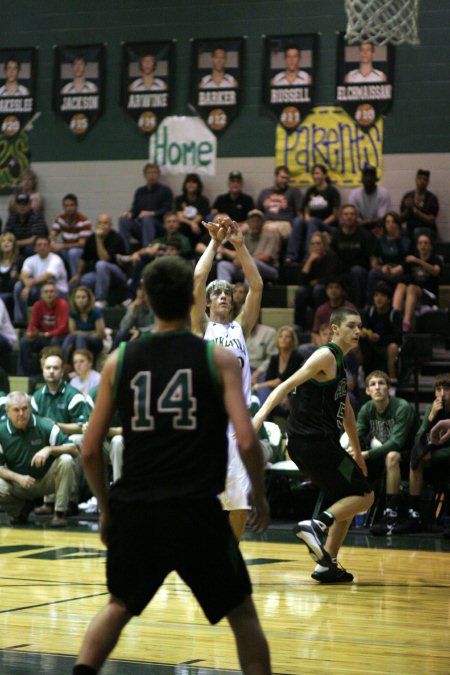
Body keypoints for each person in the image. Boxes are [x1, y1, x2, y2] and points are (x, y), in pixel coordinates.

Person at [73, 255, 271, 675]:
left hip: (137, 508)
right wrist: (262, 495)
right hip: (197, 509)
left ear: (147, 300)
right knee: (243, 616)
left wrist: (107, 509)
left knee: (117, 607)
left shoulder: (119, 359)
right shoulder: (216, 358)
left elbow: (90, 450)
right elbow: (249, 440)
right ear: (191, 300)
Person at [254, 307, 374, 583]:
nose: (358, 332)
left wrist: (357, 452)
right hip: (313, 441)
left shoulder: (340, 364)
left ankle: (326, 564)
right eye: (352, 326)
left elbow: (348, 414)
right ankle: (317, 524)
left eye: (359, 327)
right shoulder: (325, 356)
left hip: (311, 444)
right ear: (335, 329)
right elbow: (284, 386)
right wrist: (259, 418)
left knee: (348, 498)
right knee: (366, 496)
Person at [191, 216, 264, 541]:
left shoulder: (240, 327)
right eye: (217, 293)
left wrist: (240, 246)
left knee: (238, 499)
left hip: (235, 423)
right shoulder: (200, 327)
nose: (223, 296)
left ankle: (229, 554)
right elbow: (198, 276)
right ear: (207, 303)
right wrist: (214, 242)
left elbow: (257, 285)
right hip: (207, 420)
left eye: (227, 293)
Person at [352, 370, 418, 535]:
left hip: (411, 454)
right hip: (382, 455)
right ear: (367, 391)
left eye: (381, 383)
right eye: (373, 385)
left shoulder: (402, 407)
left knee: (391, 456)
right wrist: (351, 451)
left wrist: (364, 454)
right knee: (350, 459)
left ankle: (391, 512)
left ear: (388, 388)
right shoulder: (367, 409)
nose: (377, 388)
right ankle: (343, 512)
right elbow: (357, 435)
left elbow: (396, 443)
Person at [0, 391, 77, 527]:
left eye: (24, 409)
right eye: (16, 410)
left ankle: (59, 514)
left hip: (46, 480)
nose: (21, 414)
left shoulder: (45, 426)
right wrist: (18, 478)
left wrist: (49, 449)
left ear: (30, 408)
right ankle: (20, 511)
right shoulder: (1, 432)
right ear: (7, 411)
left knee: (66, 460)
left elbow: (74, 449)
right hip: (19, 483)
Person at [395, 375, 450, 534]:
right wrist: (430, 418)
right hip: (437, 463)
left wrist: (435, 456)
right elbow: (418, 439)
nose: (442, 394)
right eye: (438, 390)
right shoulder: (431, 409)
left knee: (424, 457)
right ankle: (413, 514)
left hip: (444, 458)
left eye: (446, 389)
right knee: (416, 458)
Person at [70, 213, 128, 309]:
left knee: (101, 264)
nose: (103, 225)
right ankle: (82, 302)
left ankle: (101, 299)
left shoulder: (116, 238)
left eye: (105, 223)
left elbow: (104, 259)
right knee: (85, 280)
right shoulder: (91, 238)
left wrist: (99, 239)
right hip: (100, 274)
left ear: (110, 225)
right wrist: (78, 275)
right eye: (100, 223)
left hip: (118, 274)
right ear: (96, 225)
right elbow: (84, 258)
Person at [286, 164, 341, 262]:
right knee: (297, 221)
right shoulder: (311, 191)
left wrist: (319, 223)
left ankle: (309, 255)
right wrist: (307, 219)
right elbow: (305, 210)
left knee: (312, 222)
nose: (315, 176)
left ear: (324, 175)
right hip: (312, 223)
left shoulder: (332, 191)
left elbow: (335, 215)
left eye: (317, 173)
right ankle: (291, 255)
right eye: (313, 174)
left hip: (328, 225)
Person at [13, 234, 68, 326]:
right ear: (34, 248)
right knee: (18, 285)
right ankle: (21, 322)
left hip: (58, 291)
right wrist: (26, 285)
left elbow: (48, 276)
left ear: (50, 247)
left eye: (45, 244)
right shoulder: (30, 260)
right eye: (39, 245)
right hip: (37, 288)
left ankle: (41, 324)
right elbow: (24, 275)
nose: (42, 247)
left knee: (44, 288)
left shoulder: (56, 259)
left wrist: (29, 285)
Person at [17, 281, 70, 376]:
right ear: (41, 294)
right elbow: (33, 324)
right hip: (43, 338)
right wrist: (30, 332)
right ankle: (26, 375)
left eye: (52, 291)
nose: (49, 294)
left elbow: (63, 328)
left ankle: (53, 373)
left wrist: (46, 334)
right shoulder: (38, 305)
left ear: (57, 294)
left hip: (59, 338)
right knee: (24, 342)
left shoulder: (63, 304)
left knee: (54, 341)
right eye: (46, 292)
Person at [330, 204, 377, 308]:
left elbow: (373, 259)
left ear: (356, 217)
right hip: (341, 273)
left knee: (356, 271)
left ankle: (358, 309)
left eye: (352, 214)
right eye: (346, 214)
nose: (349, 216)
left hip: (360, 273)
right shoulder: (335, 236)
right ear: (342, 217)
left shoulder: (366, 235)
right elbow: (331, 259)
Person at [392, 233, 442, 332]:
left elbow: (435, 271)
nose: (423, 245)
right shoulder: (413, 258)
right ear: (417, 246)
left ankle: (406, 322)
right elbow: (394, 272)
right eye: (420, 243)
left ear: (431, 246)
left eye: (426, 243)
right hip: (413, 295)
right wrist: (387, 270)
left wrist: (418, 261)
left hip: (429, 296)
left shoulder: (435, 259)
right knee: (401, 285)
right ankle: (394, 315)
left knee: (411, 287)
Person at [118, 163, 173, 252]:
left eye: (154, 172)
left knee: (147, 218)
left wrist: (151, 213)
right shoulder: (140, 191)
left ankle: (147, 250)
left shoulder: (165, 191)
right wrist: (130, 213)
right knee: (123, 219)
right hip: (141, 225)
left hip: (158, 226)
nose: (152, 175)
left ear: (158, 175)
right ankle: (124, 252)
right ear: (145, 175)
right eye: (149, 173)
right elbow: (135, 209)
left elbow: (167, 210)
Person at [217, 209, 280, 285]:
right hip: (247, 267)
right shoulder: (246, 236)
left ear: (263, 223)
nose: (255, 224)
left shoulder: (271, 235)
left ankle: (248, 294)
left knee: (253, 263)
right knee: (223, 265)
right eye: (252, 221)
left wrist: (245, 260)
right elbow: (239, 253)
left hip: (269, 269)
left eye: (258, 221)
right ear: (248, 223)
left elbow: (266, 257)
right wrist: (237, 259)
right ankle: (225, 291)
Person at [294, 232, 341, 331]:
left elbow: (331, 277)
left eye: (318, 243)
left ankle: (322, 324)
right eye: (313, 244)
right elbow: (301, 281)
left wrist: (318, 281)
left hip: (327, 290)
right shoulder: (309, 258)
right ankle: (299, 325)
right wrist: (310, 261)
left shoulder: (332, 257)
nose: (316, 246)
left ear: (324, 245)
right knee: (300, 291)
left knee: (318, 289)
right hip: (311, 290)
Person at [253, 326, 302, 420]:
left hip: (294, 393)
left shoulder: (297, 357)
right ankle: (265, 425)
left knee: (263, 390)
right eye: (281, 336)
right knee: (264, 392)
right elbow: (269, 380)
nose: (283, 339)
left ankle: (262, 422)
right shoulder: (274, 358)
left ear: (292, 341)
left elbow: (283, 380)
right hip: (279, 395)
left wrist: (259, 385)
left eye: (287, 337)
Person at [360, 282, 403, 380]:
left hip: (386, 346)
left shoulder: (394, 314)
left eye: (382, 296)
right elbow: (363, 328)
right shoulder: (369, 312)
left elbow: (398, 338)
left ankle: (393, 380)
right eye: (376, 295)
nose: (378, 299)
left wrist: (379, 338)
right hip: (371, 345)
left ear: (389, 299)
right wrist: (363, 333)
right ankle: (360, 374)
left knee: (393, 347)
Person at [366, 211, 411, 303]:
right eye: (388, 222)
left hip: (401, 272)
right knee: (373, 273)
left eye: (393, 221)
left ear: (398, 224)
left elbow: (408, 260)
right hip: (386, 270)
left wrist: (398, 269)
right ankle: (369, 304)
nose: (390, 224)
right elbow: (373, 261)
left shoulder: (405, 238)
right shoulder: (380, 240)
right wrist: (382, 268)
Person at [50, 193, 92, 278]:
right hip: (66, 249)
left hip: (80, 251)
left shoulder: (84, 221)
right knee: (53, 249)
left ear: (77, 207)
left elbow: (82, 244)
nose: (69, 208)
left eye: (71, 205)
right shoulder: (60, 219)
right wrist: (52, 242)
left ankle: (75, 279)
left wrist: (62, 246)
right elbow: (52, 234)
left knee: (72, 253)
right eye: (66, 206)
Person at [256, 165, 303, 240]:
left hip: (285, 223)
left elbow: (300, 213)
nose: (285, 181)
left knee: (270, 230)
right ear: (275, 176)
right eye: (282, 178)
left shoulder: (293, 191)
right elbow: (257, 212)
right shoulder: (265, 192)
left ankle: (260, 252)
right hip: (267, 222)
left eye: (287, 178)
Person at [62, 286, 106, 362]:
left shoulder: (95, 312)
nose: (80, 300)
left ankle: (81, 363)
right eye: (78, 297)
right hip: (79, 339)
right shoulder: (73, 313)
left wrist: (82, 334)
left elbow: (101, 335)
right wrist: (91, 333)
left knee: (81, 337)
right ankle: (64, 362)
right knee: (71, 336)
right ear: (74, 299)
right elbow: (73, 332)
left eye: (83, 297)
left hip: (96, 343)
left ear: (88, 299)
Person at [311, 279, 356, 346]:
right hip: (324, 344)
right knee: (303, 349)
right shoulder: (321, 310)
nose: (333, 290)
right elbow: (315, 332)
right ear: (326, 291)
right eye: (330, 287)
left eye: (337, 287)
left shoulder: (349, 308)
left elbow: (354, 331)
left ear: (342, 291)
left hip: (344, 344)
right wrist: (321, 348)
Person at [348, 166, 393, 235]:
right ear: (362, 179)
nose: (368, 179)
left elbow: (383, 217)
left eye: (371, 176)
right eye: (366, 176)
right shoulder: (354, 193)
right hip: (359, 226)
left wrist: (367, 222)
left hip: (378, 226)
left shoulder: (383, 193)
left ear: (376, 179)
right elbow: (352, 215)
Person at [111, 281, 154, 349]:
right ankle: (113, 356)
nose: (142, 292)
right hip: (138, 333)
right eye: (139, 289)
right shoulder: (134, 305)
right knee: (121, 334)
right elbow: (123, 327)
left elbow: (157, 326)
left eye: (145, 289)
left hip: (152, 334)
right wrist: (133, 310)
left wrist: (140, 331)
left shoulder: (156, 305)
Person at [399, 169, 440, 241]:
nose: (421, 181)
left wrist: (414, 210)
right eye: (419, 178)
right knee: (400, 233)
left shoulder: (432, 198)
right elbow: (401, 219)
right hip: (410, 229)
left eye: (425, 179)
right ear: (415, 180)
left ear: (428, 182)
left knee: (417, 232)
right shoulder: (408, 196)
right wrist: (408, 209)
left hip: (428, 230)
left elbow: (431, 220)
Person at [4, 192, 48, 257]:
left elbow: (35, 239)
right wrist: (9, 243)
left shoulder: (37, 217)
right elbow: (6, 235)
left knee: (29, 249)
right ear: (16, 205)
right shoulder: (12, 217)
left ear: (30, 205)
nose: (22, 207)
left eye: (25, 204)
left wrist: (15, 243)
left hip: (32, 247)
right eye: (19, 204)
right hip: (15, 246)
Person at [175, 173, 210, 247]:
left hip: (198, 226)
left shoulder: (203, 200)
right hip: (184, 226)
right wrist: (191, 223)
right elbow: (180, 217)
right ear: (185, 184)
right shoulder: (179, 199)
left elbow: (200, 216)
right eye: (188, 182)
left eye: (194, 182)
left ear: (198, 185)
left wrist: (193, 224)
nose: (191, 184)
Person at [0, 232, 22, 317]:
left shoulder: (19, 260)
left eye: (9, 241)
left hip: (13, 293)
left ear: (13, 244)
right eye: (3, 241)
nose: (6, 243)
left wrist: (17, 276)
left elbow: (25, 279)